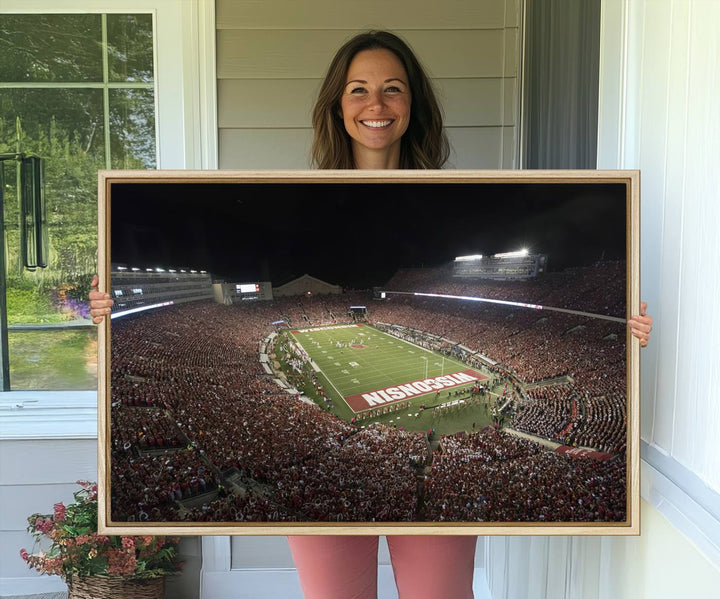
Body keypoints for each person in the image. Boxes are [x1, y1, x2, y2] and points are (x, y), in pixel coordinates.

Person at [89, 30, 653, 599]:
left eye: (393, 89)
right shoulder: (299, 196)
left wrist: (621, 334)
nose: (376, 105)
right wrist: (107, 307)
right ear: (338, 104)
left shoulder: (450, 197)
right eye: (358, 90)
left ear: (413, 105)